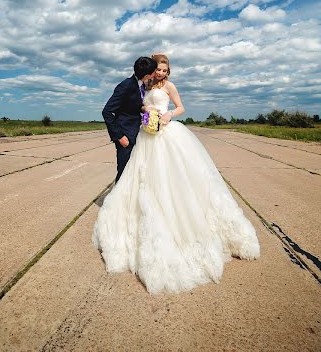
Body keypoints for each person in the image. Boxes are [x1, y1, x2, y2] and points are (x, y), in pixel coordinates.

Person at [92, 53, 260, 295]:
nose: (160, 73)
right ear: (150, 71)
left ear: (168, 71)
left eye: (164, 70)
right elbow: (133, 106)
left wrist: (168, 114)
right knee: (139, 175)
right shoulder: (144, 85)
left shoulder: (169, 86)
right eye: (157, 70)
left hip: (167, 132)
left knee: (174, 177)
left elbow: (181, 107)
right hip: (145, 134)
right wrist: (146, 112)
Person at [102, 56, 158, 183]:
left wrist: (145, 110)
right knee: (124, 172)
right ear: (148, 74)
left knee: (133, 171)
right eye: (155, 71)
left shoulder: (141, 85)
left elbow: (131, 107)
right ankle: (117, 202)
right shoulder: (125, 86)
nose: (156, 73)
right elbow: (107, 112)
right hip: (125, 135)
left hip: (136, 133)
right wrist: (119, 136)